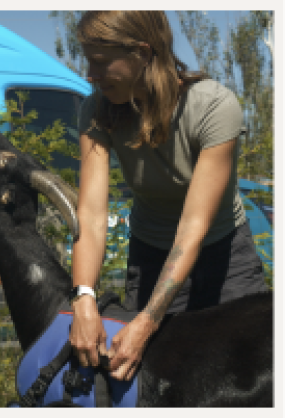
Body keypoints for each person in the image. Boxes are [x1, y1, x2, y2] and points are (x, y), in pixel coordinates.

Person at [68, 11, 269, 382]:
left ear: (142, 53)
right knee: (143, 379)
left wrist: (147, 321)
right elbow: (92, 215)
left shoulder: (213, 106)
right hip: (150, 257)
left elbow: (193, 228)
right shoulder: (96, 109)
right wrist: (83, 298)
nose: (90, 75)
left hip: (225, 258)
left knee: (246, 375)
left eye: (100, 61)